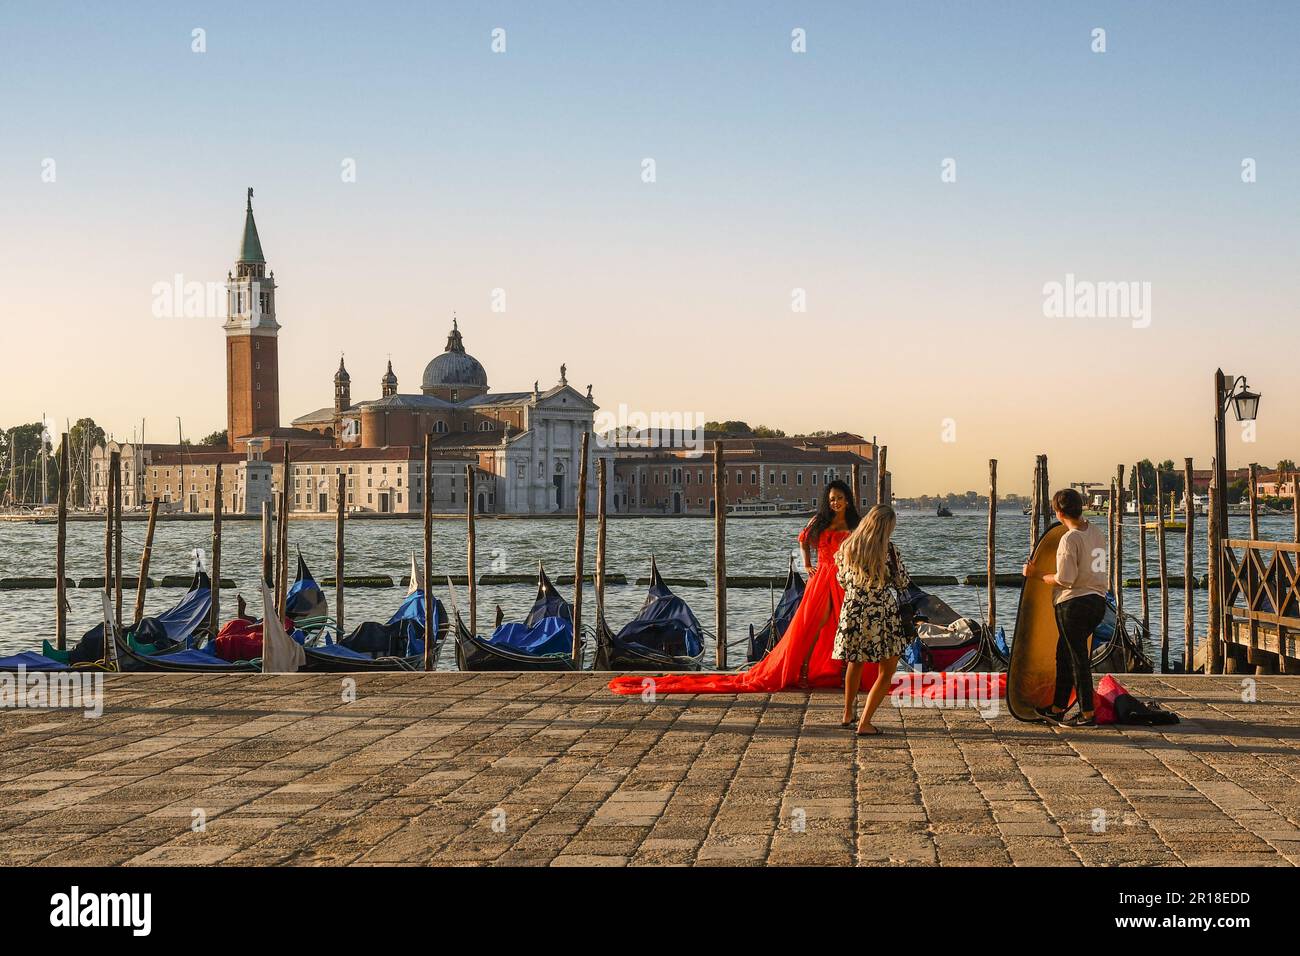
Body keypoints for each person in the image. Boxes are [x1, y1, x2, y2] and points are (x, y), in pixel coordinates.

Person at [606, 479, 864, 695]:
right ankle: (804, 671)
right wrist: (807, 566)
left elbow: (862, 550)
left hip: (843, 580)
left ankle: (843, 673)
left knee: (843, 627)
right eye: (831, 498)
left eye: (839, 498)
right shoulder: (820, 521)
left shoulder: (854, 525)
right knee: (813, 628)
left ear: (848, 500)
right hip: (821, 581)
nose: (835, 502)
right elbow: (803, 540)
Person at [1022, 488, 1108, 727]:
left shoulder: (1069, 539)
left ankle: (1087, 712)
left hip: (1073, 604)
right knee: (1064, 655)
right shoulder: (1098, 533)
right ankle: (1058, 708)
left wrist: (1035, 574)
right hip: (1097, 602)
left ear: (1058, 513)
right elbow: (1098, 569)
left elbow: (1065, 579)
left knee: (1076, 658)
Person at [833, 505, 911, 735]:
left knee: (855, 662)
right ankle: (865, 722)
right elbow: (902, 582)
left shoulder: (847, 547)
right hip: (881, 612)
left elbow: (841, 580)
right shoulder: (889, 551)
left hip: (853, 609)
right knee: (886, 670)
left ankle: (848, 712)